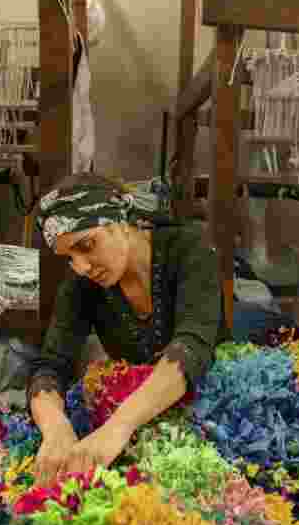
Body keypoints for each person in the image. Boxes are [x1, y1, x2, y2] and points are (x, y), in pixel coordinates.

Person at [25, 174, 227, 484]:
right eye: (69, 257)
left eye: (87, 245)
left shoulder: (189, 249)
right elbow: (50, 364)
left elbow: (192, 348)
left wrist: (118, 426)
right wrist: (55, 428)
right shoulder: (83, 283)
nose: (82, 266)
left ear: (120, 221)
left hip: (211, 398)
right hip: (147, 406)